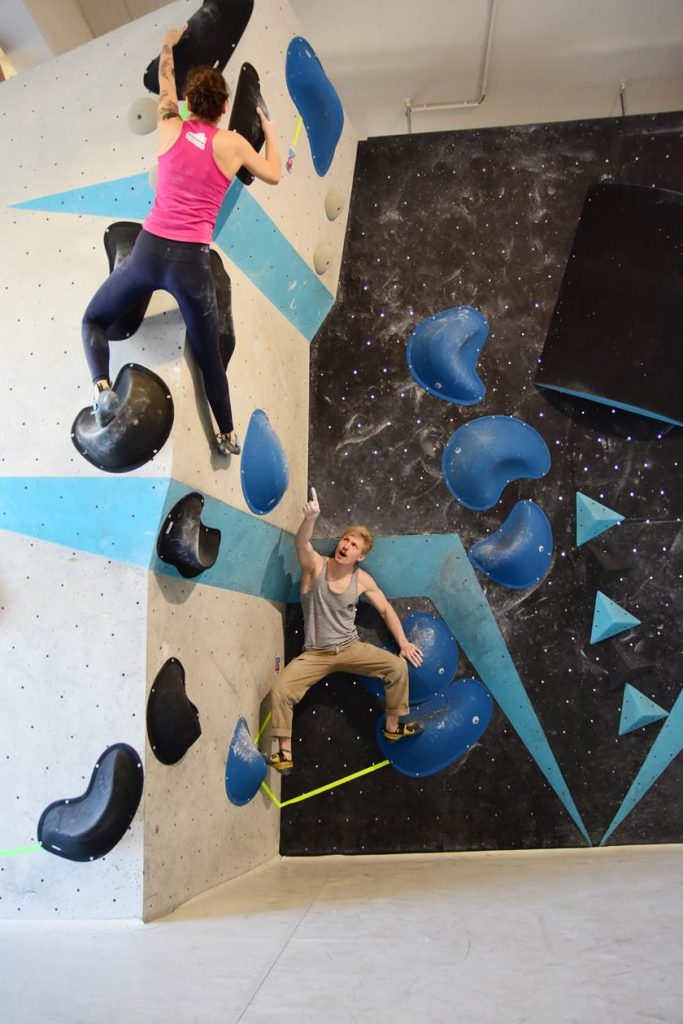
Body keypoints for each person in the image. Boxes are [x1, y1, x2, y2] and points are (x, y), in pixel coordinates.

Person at [82, 24, 281, 455]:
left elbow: (166, 80)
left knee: (92, 320)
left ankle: (102, 386)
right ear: (225, 106)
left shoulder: (170, 124)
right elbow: (275, 173)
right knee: (210, 356)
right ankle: (227, 434)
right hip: (192, 264)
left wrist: (168, 44)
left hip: (149, 250)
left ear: (191, 103)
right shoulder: (233, 144)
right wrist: (269, 127)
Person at [267, 488, 424, 775]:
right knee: (280, 691)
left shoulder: (362, 579)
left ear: (360, 556)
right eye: (345, 540)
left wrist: (403, 642)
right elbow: (302, 544)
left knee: (396, 667)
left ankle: (393, 728)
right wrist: (310, 519)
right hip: (316, 652)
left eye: (353, 546)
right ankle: (284, 753)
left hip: (351, 648)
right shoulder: (316, 567)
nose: (346, 546)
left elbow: (386, 609)